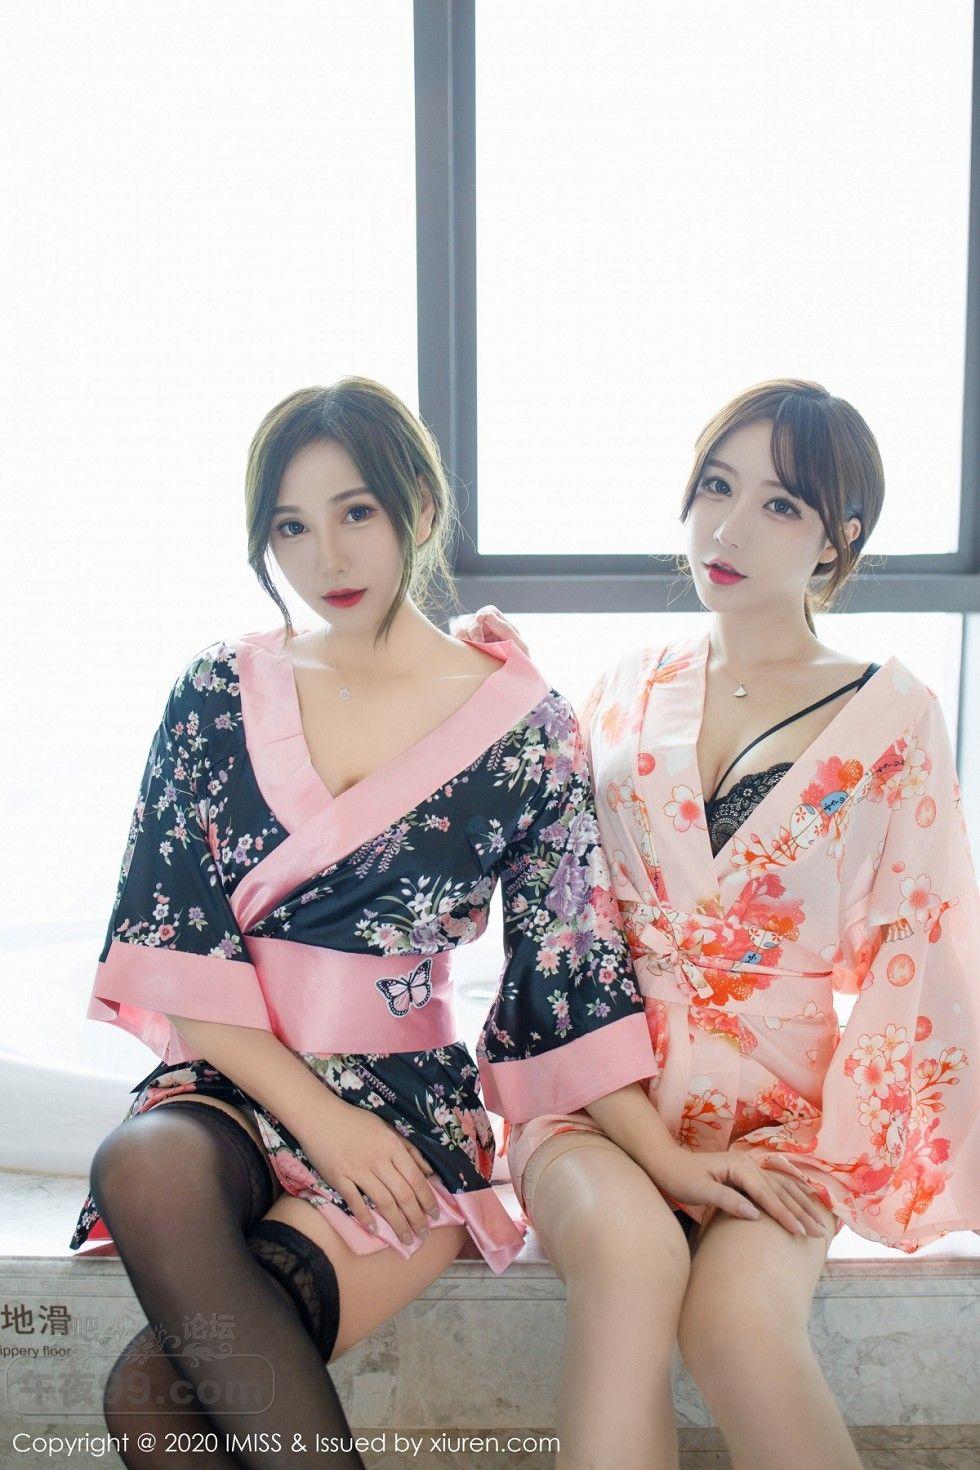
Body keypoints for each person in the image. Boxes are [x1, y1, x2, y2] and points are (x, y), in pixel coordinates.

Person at [69, 377, 661, 1469]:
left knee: (154, 1399)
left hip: (402, 1111)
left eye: (356, 512)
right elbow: (173, 940)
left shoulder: (527, 728)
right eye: (290, 527)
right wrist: (317, 1120)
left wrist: (666, 1153)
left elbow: (565, 964)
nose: (327, 557)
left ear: (419, 509)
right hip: (235, 1078)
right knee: (142, 1161)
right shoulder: (215, 690)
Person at [453, 378, 980, 1470]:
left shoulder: (894, 717)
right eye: (714, 488)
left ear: (840, 537)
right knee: (630, 1263)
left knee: (738, 1325)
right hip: (601, 1099)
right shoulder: (621, 691)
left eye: (779, 505)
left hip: (782, 1120)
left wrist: (859, 1148)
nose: (727, 529)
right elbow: (564, 932)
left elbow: (917, 954)